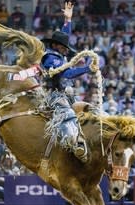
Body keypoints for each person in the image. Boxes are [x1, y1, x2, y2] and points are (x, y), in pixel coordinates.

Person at [40, 1, 97, 163]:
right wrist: (87, 69)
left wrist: (67, 21)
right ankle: (72, 143)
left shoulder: (58, 53)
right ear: (57, 46)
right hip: (54, 95)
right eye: (64, 47)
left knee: (87, 111)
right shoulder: (50, 58)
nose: (67, 49)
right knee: (68, 114)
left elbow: (65, 35)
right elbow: (68, 74)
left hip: (66, 94)